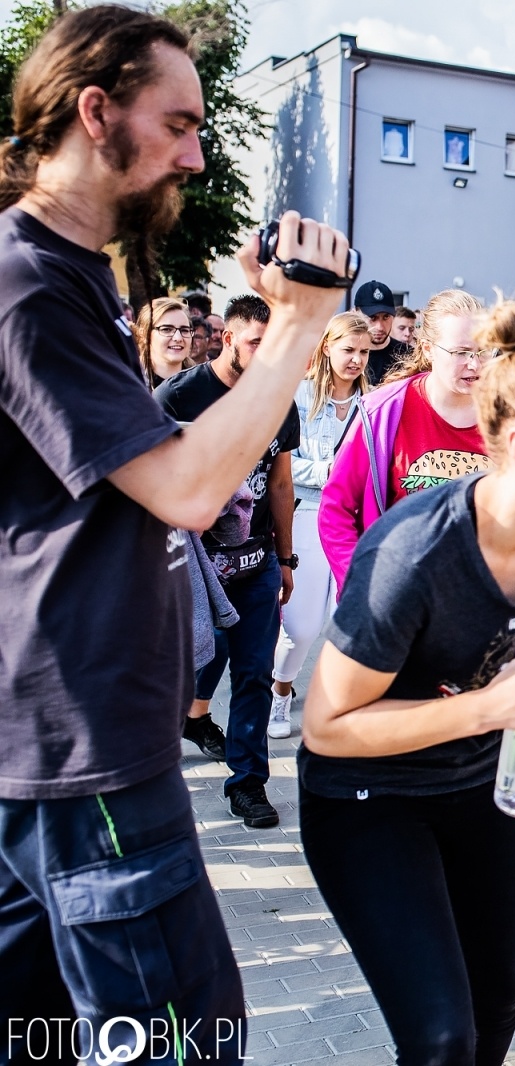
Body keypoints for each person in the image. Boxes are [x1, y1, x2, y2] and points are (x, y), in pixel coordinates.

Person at [0, 5, 349, 1060]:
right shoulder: (27, 287)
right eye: (180, 124)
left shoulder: (72, 278)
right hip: (86, 737)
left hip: (67, 731)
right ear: (95, 112)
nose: (197, 155)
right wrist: (297, 324)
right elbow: (191, 488)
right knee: (179, 1042)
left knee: (41, 1036)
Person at [299, 300, 515, 1066]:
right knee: (442, 1039)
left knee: (494, 1018)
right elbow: (326, 727)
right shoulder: (411, 558)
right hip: (368, 803)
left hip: (485, 787)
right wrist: (488, 706)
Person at [158, 294, 300, 830]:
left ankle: (248, 784)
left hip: (257, 561)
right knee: (190, 667)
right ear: (228, 337)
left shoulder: (278, 400)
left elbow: (281, 483)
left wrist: (285, 558)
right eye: (256, 343)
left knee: (255, 675)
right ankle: (159, 772)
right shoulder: (179, 396)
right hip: (195, 566)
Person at [320, 288, 490, 593]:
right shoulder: (382, 413)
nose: (475, 364)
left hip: (484, 606)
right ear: (427, 349)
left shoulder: (513, 417)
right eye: (461, 352)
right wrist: (362, 586)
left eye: (484, 351)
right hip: (402, 604)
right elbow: (336, 508)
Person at [268, 311, 372, 740]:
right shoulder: (298, 396)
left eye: (365, 352)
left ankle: (339, 703)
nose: (357, 359)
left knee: (346, 619)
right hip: (307, 513)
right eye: (349, 349)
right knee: (301, 626)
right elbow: (284, 467)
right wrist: (333, 470)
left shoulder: (374, 403)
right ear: (327, 347)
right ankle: (280, 690)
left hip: (356, 520)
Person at [355, 278, 410, 384]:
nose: (379, 327)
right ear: (356, 313)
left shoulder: (408, 356)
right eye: (372, 318)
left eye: (386, 317)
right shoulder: (348, 355)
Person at [135, 293, 194, 386]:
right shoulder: (129, 384)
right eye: (166, 329)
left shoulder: (203, 384)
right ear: (144, 335)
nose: (178, 338)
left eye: (184, 330)